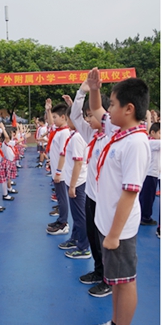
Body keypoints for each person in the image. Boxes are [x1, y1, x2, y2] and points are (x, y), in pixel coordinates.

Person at [86, 68, 151, 325]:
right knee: (115, 281)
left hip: (119, 228)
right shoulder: (119, 131)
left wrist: (113, 234)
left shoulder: (136, 143)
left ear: (129, 109)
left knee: (125, 283)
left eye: (112, 104)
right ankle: (114, 324)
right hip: (108, 222)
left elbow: (130, 192)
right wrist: (95, 89)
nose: (107, 109)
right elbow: (96, 109)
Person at [69, 81, 113, 297]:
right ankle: (98, 271)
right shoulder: (92, 136)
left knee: (105, 240)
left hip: (106, 200)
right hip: (91, 195)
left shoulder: (112, 137)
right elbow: (75, 116)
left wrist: (94, 93)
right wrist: (81, 92)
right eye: (87, 115)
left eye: (91, 115)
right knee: (93, 236)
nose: (87, 119)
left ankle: (109, 279)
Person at [56, 100, 90, 259]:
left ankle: (83, 248)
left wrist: (72, 186)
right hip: (76, 180)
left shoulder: (77, 138)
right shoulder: (76, 135)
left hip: (78, 182)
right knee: (77, 215)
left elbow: (78, 163)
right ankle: (76, 238)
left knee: (80, 216)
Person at [46, 100, 72, 235]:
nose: (53, 120)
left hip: (60, 172)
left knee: (62, 198)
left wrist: (58, 172)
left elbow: (63, 153)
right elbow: (51, 123)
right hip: (56, 170)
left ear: (63, 117)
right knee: (60, 197)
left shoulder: (64, 133)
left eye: (55, 117)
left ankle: (63, 223)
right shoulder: (58, 130)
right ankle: (61, 219)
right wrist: (48, 110)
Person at [139, 115, 160, 226]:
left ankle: (143, 215)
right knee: (148, 197)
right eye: (160, 133)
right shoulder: (154, 143)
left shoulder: (150, 140)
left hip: (149, 173)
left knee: (145, 196)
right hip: (151, 174)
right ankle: (145, 217)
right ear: (152, 133)